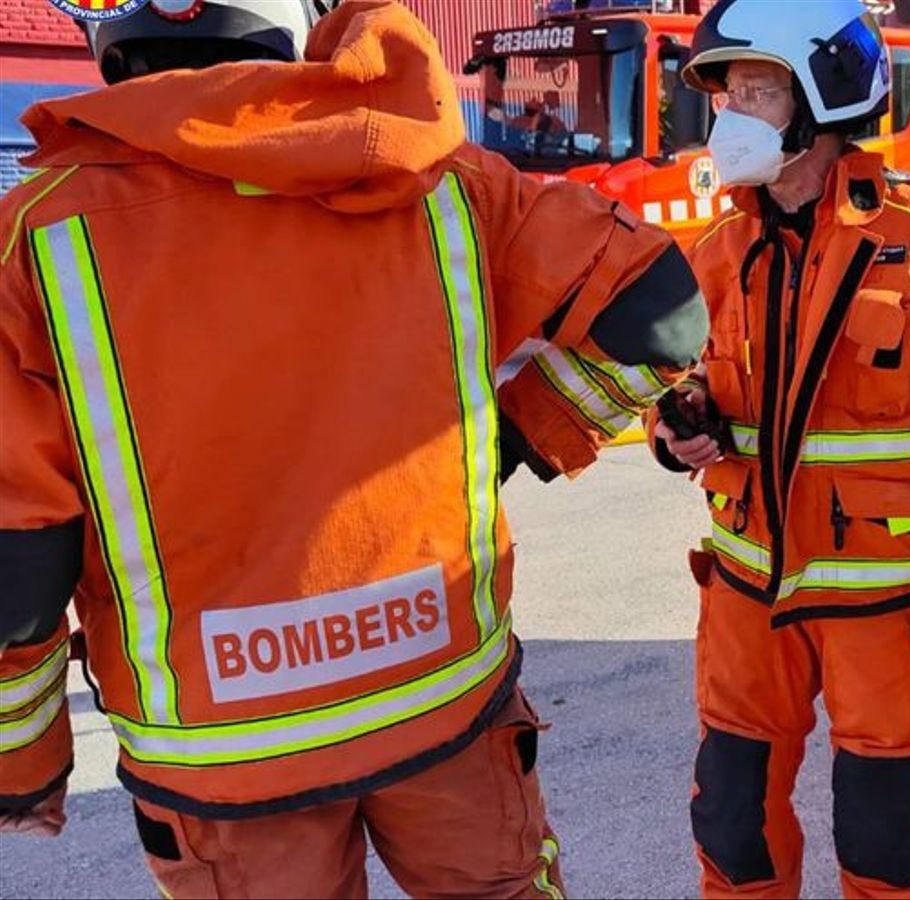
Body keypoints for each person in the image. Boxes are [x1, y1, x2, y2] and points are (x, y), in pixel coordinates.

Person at [0, 1, 706, 896]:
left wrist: (23, 767)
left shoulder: (39, 239)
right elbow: (665, 313)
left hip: (227, 761)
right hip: (445, 696)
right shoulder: (438, 176)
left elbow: (18, 555)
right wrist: (518, 434)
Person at [649, 0, 910, 895]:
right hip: (745, 601)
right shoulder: (718, 248)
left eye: (757, 89)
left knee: (883, 836)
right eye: (723, 94)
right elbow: (680, 386)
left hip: (884, 613)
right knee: (728, 817)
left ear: (825, 94)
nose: (730, 115)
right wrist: (676, 424)